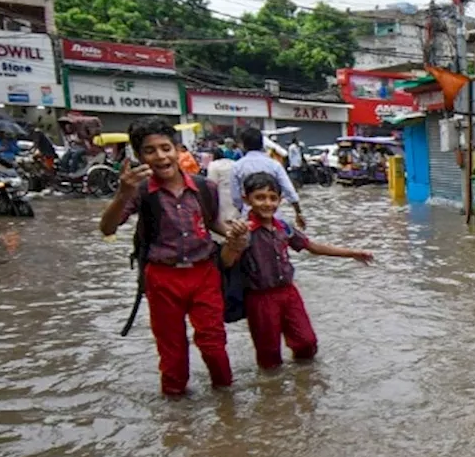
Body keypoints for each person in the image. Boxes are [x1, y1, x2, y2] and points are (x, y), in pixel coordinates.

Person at [98, 117, 235, 397]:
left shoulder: (204, 187)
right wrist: (122, 195)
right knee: (171, 348)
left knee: (213, 343)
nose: (160, 156)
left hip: (204, 272)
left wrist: (237, 234)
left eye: (165, 148)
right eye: (150, 151)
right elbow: (107, 228)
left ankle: (226, 400)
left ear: (177, 150)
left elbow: (211, 223)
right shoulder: (138, 192)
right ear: (140, 157)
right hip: (162, 277)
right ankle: (175, 412)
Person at [223, 173, 372, 371]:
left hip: (288, 293)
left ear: (280, 199)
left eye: (272, 198)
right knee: (269, 355)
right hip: (260, 298)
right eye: (260, 197)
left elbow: (311, 246)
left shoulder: (284, 226)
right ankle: (274, 394)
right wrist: (234, 241)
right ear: (246, 199)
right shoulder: (244, 231)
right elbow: (226, 261)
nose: (267, 203)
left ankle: (304, 381)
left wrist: (351, 253)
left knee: (307, 342)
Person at [230, 127, 306, 229]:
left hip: (249, 218)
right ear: (262, 144)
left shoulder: (237, 167)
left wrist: (245, 209)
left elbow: (236, 198)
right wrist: (298, 213)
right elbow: (289, 190)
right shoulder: (274, 165)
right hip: (273, 217)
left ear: (243, 145)